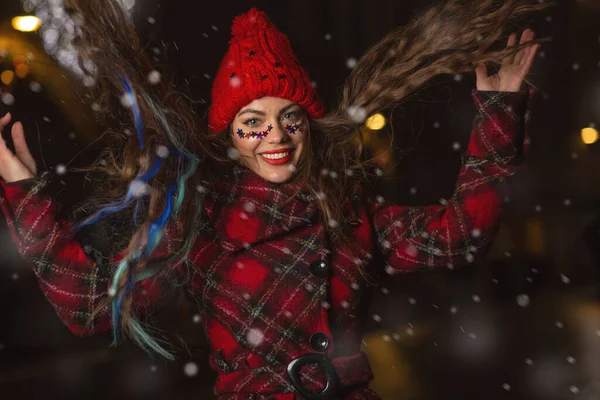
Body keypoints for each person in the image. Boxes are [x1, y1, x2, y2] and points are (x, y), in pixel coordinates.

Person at [0, 1, 545, 399]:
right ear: (231, 137)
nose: (277, 138)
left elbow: (461, 235)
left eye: (290, 119)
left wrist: (498, 109)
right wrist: (25, 194)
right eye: (253, 123)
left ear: (308, 125)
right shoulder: (201, 224)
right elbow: (93, 306)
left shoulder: (344, 215)